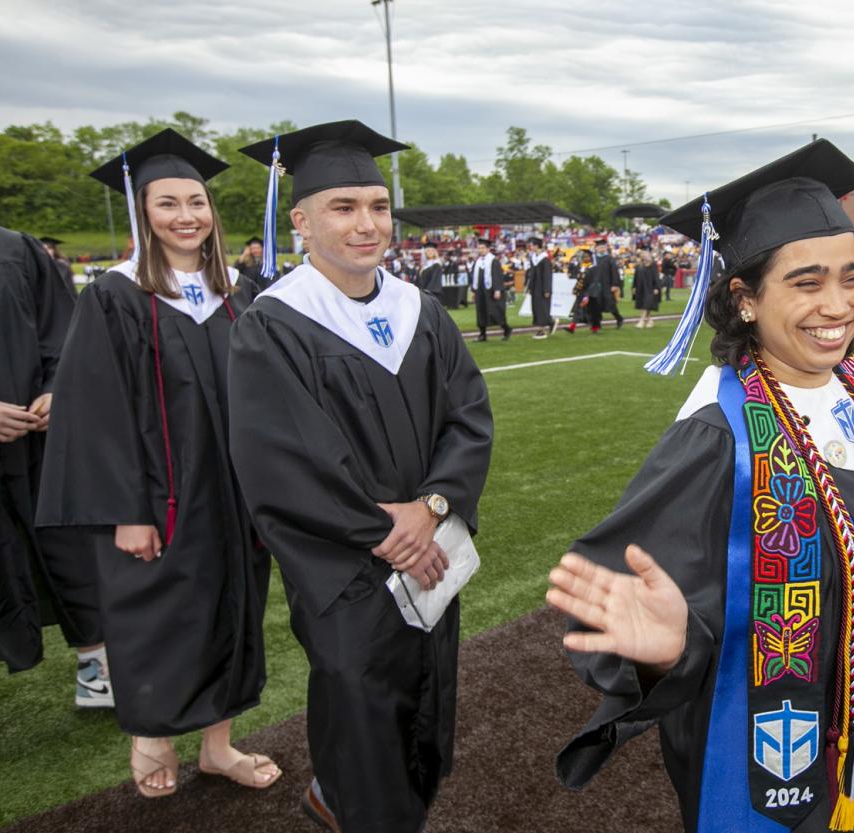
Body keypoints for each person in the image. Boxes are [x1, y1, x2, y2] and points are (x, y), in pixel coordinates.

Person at [547, 139, 854, 833]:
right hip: (765, 753)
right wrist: (670, 650)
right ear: (743, 297)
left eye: (852, 277)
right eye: (806, 282)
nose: (839, 305)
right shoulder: (720, 437)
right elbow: (621, 597)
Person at [233, 120, 494, 833]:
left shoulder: (421, 312)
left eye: (378, 206)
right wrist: (386, 527)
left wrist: (434, 503)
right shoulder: (275, 323)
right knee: (360, 695)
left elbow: (469, 415)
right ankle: (362, 809)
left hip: (429, 549)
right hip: (344, 566)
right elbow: (282, 456)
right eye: (344, 207)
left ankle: (352, 800)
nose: (366, 224)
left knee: (425, 691)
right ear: (302, 220)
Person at [35, 129, 278, 797]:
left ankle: (219, 746)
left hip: (232, 493)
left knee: (234, 607)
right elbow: (93, 412)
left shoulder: (239, 292)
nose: (185, 216)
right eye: (166, 202)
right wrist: (127, 512)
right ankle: (151, 737)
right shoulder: (113, 296)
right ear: (143, 212)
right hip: (158, 498)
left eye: (196, 201)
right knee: (160, 618)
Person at [0, 218, 107, 755]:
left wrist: (58, 388)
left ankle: (97, 669)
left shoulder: (13, 248)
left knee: (67, 546)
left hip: (37, 443)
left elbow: (64, 332)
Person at [471, 237, 512, 341]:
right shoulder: (478, 262)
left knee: (495, 312)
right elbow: (474, 277)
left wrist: (498, 290)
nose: (481, 250)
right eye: (479, 248)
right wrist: (474, 291)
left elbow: (498, 276)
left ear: (488, 249)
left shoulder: (493, 261)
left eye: (483, 248)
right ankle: (482, 334)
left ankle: (506, 328)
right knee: (481, 312)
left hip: (491, 291)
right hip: (480, 291)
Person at [525, 235, 556, 339]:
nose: (530, 247)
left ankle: (541, 331)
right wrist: (529, 287)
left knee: (542, 308)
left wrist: (547, 289)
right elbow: (531, 274)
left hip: (543, 288)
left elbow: (547, 276)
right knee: (536, 308)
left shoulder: (545, 259)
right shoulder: (533, 258)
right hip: (535, 287)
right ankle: (551, 322)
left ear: (537, 246)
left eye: (532, 245)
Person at [632, 249, 661, 328]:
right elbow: (635, 277)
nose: (644, 257)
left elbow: (656, 277)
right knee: (643, 304)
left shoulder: (653, 265)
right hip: (640, 287)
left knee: (646, 304)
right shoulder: (639, 266)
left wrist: (656, 287)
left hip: (650, 287)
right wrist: (634, 287)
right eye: (643, 255)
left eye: (646, 255)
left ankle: (641, 321)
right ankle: (650, 321)